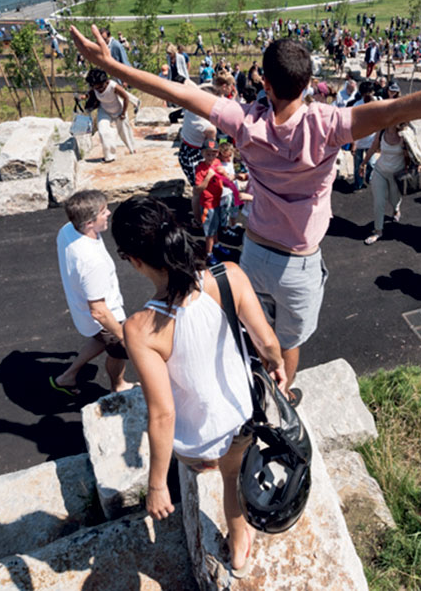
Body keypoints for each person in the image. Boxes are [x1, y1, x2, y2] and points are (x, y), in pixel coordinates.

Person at [69, 23, 421, 386]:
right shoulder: (331, 125)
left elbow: (176, 90)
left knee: (253, 330)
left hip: (253, 253)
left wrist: (111, 68)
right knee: (290, 341)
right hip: (300, 263)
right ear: (308, 83)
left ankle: (254, 380)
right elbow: (405, 108)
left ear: (268, 84)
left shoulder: (243, 122)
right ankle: (284, 389)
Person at [112, 196, 285, 578]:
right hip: (239, 415)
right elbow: (267, 342)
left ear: (134, 260)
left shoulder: (140, 328)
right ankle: (239, 544)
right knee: (232, 477)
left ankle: (203, 470)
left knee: (206, 465)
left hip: (194, 443)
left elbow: (162, 413)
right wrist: (277, 367)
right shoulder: (228, 277)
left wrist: (157, 485)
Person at [51, 190, 135, 396]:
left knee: (98, 340)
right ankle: (118, 385)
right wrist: (121, 335)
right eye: (103, 211)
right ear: (89, 223)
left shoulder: (67, 230)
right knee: (118, 351)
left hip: (83, 311)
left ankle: (67, 377)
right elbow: (98, 311)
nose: (108, 213)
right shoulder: (91, 262)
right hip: (107, 315)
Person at [360, 114, 409, 246]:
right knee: (379, 202)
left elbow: (410, 155)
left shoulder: (404, 136)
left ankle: (396, 209)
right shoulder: (381, 132)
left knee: (394, 199)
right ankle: (378, 231)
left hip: (396, 175)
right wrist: (363, 163)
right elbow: (373, 148)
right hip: (380, 171)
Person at [194, 141, 239, 264]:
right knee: (209, 232)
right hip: (208, 205)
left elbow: (225, 181)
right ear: (203, 153)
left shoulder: (217, 163)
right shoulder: (200, 169)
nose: (211, 157)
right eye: (208, 154)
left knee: (215, 227)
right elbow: (197, 189)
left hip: (217, 201)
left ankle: (217, 245)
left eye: (213, 154)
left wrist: (224, 173)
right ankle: (209, 254)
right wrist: (208, 177)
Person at [86, 68, 136, 162]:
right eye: (96, 88)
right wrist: (84, 97)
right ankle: (109, 156)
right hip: (104, 111)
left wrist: (123, 113)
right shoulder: (94, 86)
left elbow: (126, 97)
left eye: (100, 87)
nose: (99, 90)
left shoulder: (113, 86)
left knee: (124, 132)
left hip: (119, 110)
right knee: (103, 131)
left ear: (106, 82)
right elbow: (90, 93)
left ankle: (132, 148)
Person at [351, 81, 379, 191]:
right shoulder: (357, 106)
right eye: (366, 93)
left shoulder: (378, 103)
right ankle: (358, 184)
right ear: (362, 94)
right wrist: (353, 143)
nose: (369, 95)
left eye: (371, 92)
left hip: (372, 141)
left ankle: (369, 178)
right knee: (358, 165)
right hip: (359, 141)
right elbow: (352, 126)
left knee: (372, 164)